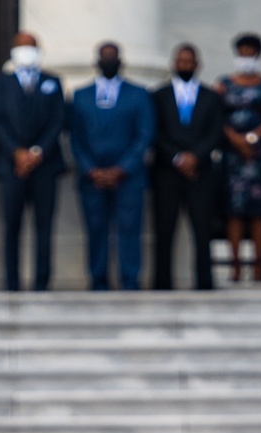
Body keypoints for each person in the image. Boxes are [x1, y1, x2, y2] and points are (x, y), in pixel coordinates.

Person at [69, 42, 154, 291]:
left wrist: (122, 168)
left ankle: (130, 280)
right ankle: (98, 280)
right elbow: (75, 137)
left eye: (112, 57)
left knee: (129, 230)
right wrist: (90, 168)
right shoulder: (80, 95)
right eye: (104, 57)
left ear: (121, 61)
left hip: (128, 177)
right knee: (96, 230)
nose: (108, 61)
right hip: (91, 177)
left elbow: (144, 134)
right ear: (97, 61)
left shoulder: (139, 94)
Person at [0, 34, 66, 291]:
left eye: (30, 47)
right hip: (11, 167)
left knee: (44, 227)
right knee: (12, 228)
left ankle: (42, 282)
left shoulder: (52, 82)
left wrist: (35, 152)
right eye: (21, 47)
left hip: (45, 165)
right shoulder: (0, 84)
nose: (25, 51)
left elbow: (58, 120)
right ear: (13, 51)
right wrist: (17, 152)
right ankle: (12, 283)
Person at [152, 45, 224, 291]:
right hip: (166, 172)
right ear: (174, 63)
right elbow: (155, 131)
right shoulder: (158, 95)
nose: (184, 65)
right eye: (180, 61)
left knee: (202, 229)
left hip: (201, 172)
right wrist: (176, 157)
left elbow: (216, 131)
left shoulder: (211, 96)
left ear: (197, 64)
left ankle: (204, 281)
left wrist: (195, 156)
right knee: (164, 230)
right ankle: (162, 282)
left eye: (188, 61)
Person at [215, 35, 261, 281]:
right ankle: (235, 267)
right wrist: (235, 139)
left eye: (251, 53)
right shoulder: (224, 84)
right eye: (242, 53)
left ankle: (258, 267)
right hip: (232, 154)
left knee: (258, 210)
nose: (246, 58)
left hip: (259, 153)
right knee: (233, 209)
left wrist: (251, 138)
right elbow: (216, 115)